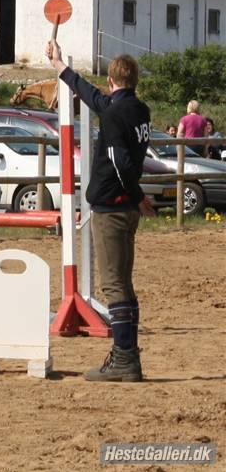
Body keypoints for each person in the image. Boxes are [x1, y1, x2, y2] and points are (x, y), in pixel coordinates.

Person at [46, 40, 155, 383]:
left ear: (111, 79)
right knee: (123, 283)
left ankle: (124, 358)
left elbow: (119, 161)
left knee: (113, 286)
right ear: (133, 81)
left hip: (113, 208)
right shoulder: (140, 111)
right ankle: (128, 355)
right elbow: (95, 99)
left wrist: (136, 195)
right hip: (126, 210)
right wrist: (60, 66)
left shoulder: (113, 114)